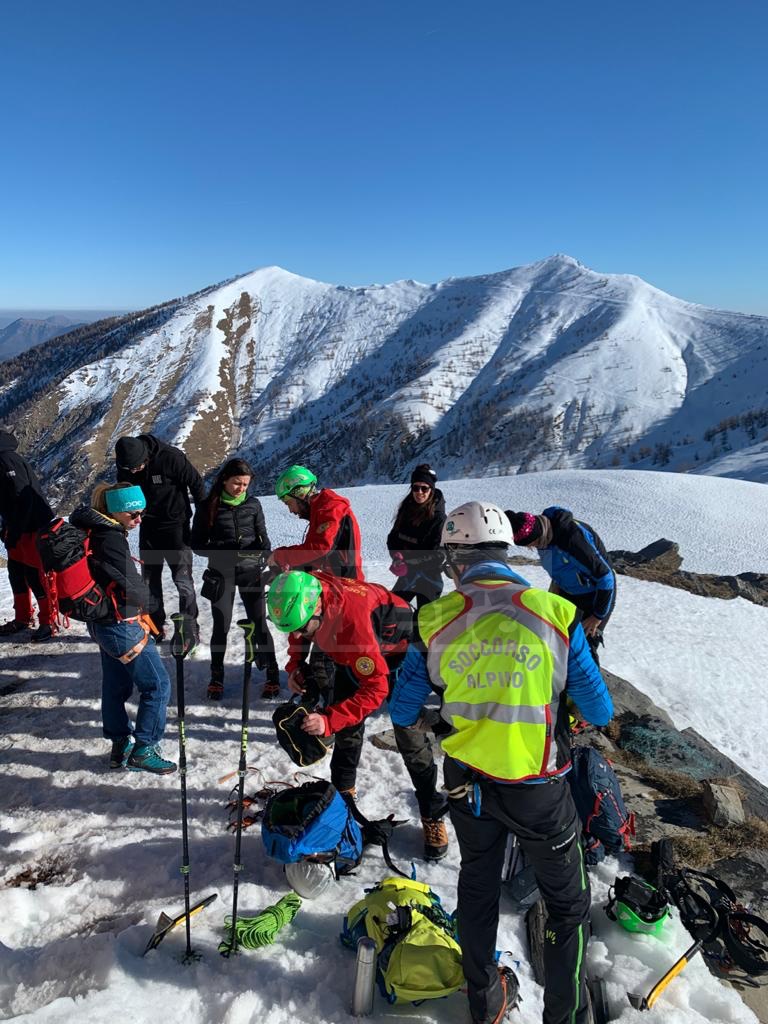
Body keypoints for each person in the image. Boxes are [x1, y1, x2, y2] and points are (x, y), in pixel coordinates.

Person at [418, 500, 613, 1024]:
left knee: (478, 886)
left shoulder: (434, 619)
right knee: (568, 907)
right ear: (504, 551)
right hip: (540, 788)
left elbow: (403, 702)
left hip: (467, 785)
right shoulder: (555, 613)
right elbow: (599, 708)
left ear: (454, 557)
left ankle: (483, 1002)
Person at [267, 570, 450, 860]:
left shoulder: (354, 625)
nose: (299, 634)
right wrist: (296, 664)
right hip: (353, 655)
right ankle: (342, 804)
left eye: (304, 628)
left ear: (317, 607)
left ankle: (432, 814)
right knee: (348, 733)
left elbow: (375, 690)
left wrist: (328, 720)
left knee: (409, 738)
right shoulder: (307, 591)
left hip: (402, 655)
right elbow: (296, 628)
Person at [70, 482, 177, 775]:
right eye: (134, 514)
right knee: (157, 685)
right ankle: (144, 748)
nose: (139, 520)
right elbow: (131, 584)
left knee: (115, 686)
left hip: (102, 623)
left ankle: (120, 746)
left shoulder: (91, 531)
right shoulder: (111, 538)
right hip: (121, 625)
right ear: (116, 511)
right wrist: (152, 605)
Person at [190, 457, 279, 700]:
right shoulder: (209, 505)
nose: (241, 488)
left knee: (259, 622)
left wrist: (266, 557)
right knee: (221, 625)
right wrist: (221, 553)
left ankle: (272, 674)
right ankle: (216, 677)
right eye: (236, 483)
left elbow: (264, 538)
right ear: (224, 480)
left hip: (251, 572)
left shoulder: (253, 505)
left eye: (245, 485)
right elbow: (195, 543)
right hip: (221, 573)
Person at [115, 433, 204, 642]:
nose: (134, 472)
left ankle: (189, 627)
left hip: (176, 527)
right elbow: (124, 495)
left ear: (145, 457)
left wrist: (201, 523)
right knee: (148, 581)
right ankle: (155, 625)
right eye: (130, 469)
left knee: (182, 580)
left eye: (137, 467)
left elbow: (197, 484)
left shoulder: (171, 457)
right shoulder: (125, 465)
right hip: (148, 527)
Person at [506, 506, 616, 663]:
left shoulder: (572, 540)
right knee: (558, 638)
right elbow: (558, 568)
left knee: (585, 645)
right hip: (569, 590)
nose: (532, 548)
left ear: (538, 535)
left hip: (596, 594)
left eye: (533, 544)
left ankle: (590, 685)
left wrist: (597, 616)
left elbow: (605, 577)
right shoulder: (545, 535)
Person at [0, 428, 56, 641]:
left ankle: (48, 621)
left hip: (31, 528)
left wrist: (14, 530)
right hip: (16, 528)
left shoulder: (7, 460)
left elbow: (24, 498)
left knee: (35, 575)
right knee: (16, 573)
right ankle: (22, 618)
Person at [267, 465, 363, 580]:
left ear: (300, 494)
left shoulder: (330, 508)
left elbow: (319, 548)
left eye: (289, 503)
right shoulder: (319, 511)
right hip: (334, 581)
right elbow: (316, 557)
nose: (291, 510)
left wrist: (280, 556)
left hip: (346, 585)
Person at [386, 464, 446, 608]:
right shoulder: (406, 510)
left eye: (424, 488)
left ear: (431, 490)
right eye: (415, 487)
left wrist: (407, 563)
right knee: (391, 611)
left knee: (425, 624)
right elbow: (393, 538)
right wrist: (396, 556)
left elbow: (438, 555)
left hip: (430, 578)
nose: (419, 492)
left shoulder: (439, 518)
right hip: (408, 575)